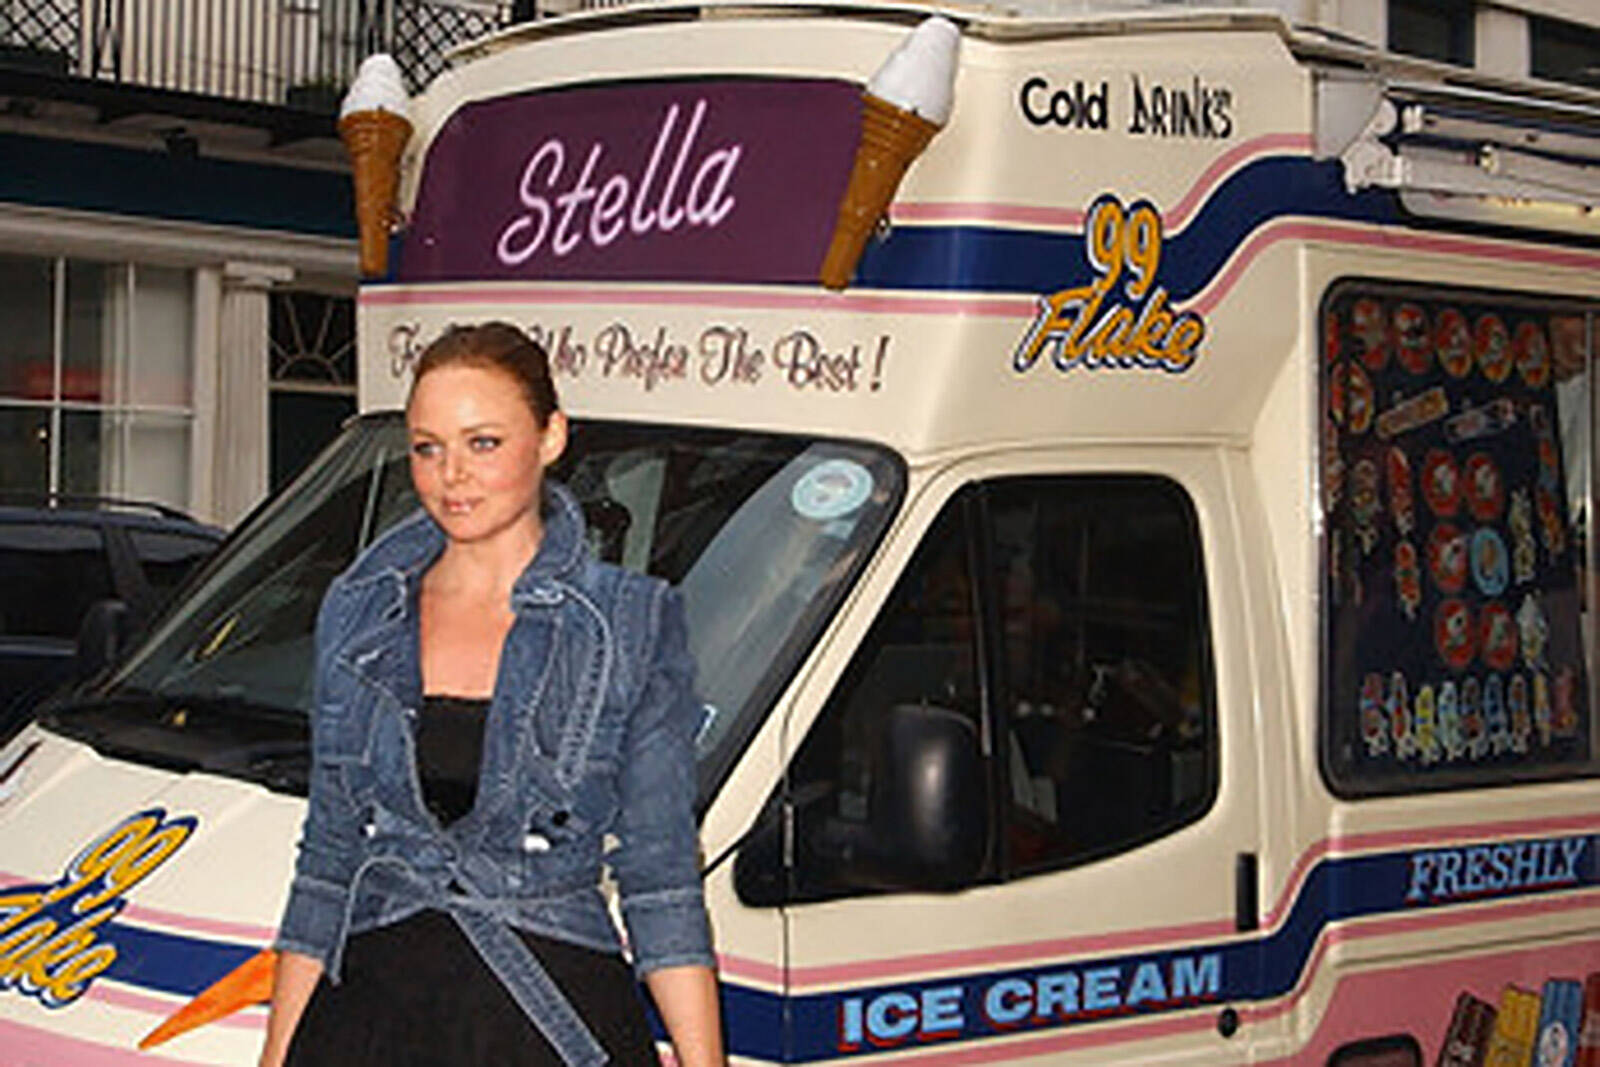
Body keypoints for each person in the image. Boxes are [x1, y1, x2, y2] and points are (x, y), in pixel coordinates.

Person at [259, 323, 723, 1067]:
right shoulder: (358, 612)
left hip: (550, 1020)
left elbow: (660, 874)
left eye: (483, 443)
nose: (451, 475)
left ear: (550, 437)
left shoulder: (631, 622)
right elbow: (328, 856)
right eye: (427, 446)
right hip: (368, 1023)